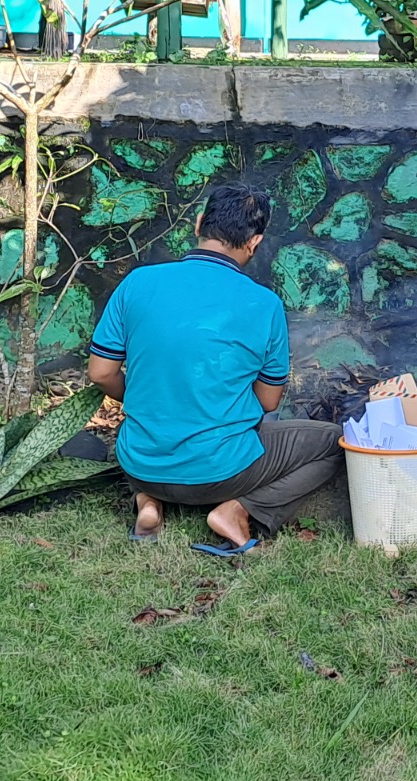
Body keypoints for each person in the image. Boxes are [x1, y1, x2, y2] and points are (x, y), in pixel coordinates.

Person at [86, 182, 342, 553]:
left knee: (148, 434)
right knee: (336, 442)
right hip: (221, 474)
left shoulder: (138, 282)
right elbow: (268, 401)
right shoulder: (264, 304)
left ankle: (148, 501)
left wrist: (147, 399)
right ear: (254, 242)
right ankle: (237, 510)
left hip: (141, 464)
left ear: (199, 224)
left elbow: (100, 373)